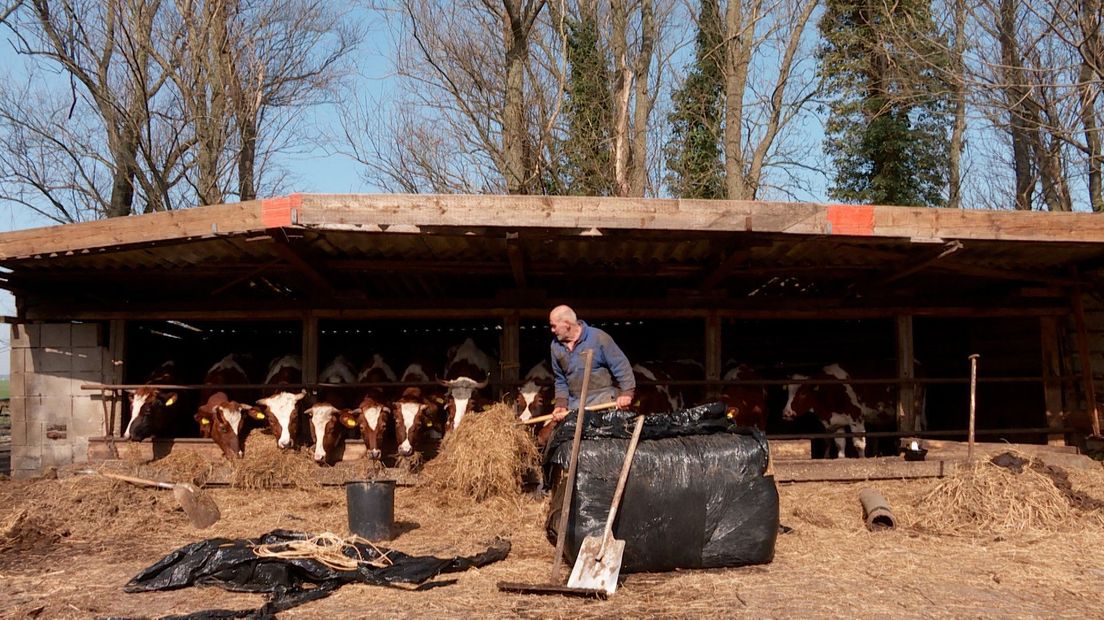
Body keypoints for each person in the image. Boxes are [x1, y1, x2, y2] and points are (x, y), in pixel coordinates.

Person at [546, 305, 635, 426]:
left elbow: (621, 366)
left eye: (553, 325)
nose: (552, 330)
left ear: (567, 324)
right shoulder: (555, 346)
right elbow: (560, 379)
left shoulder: (598, 337)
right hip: (575, 405)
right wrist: (561, 404)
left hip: (603, 400)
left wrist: (626, 394)